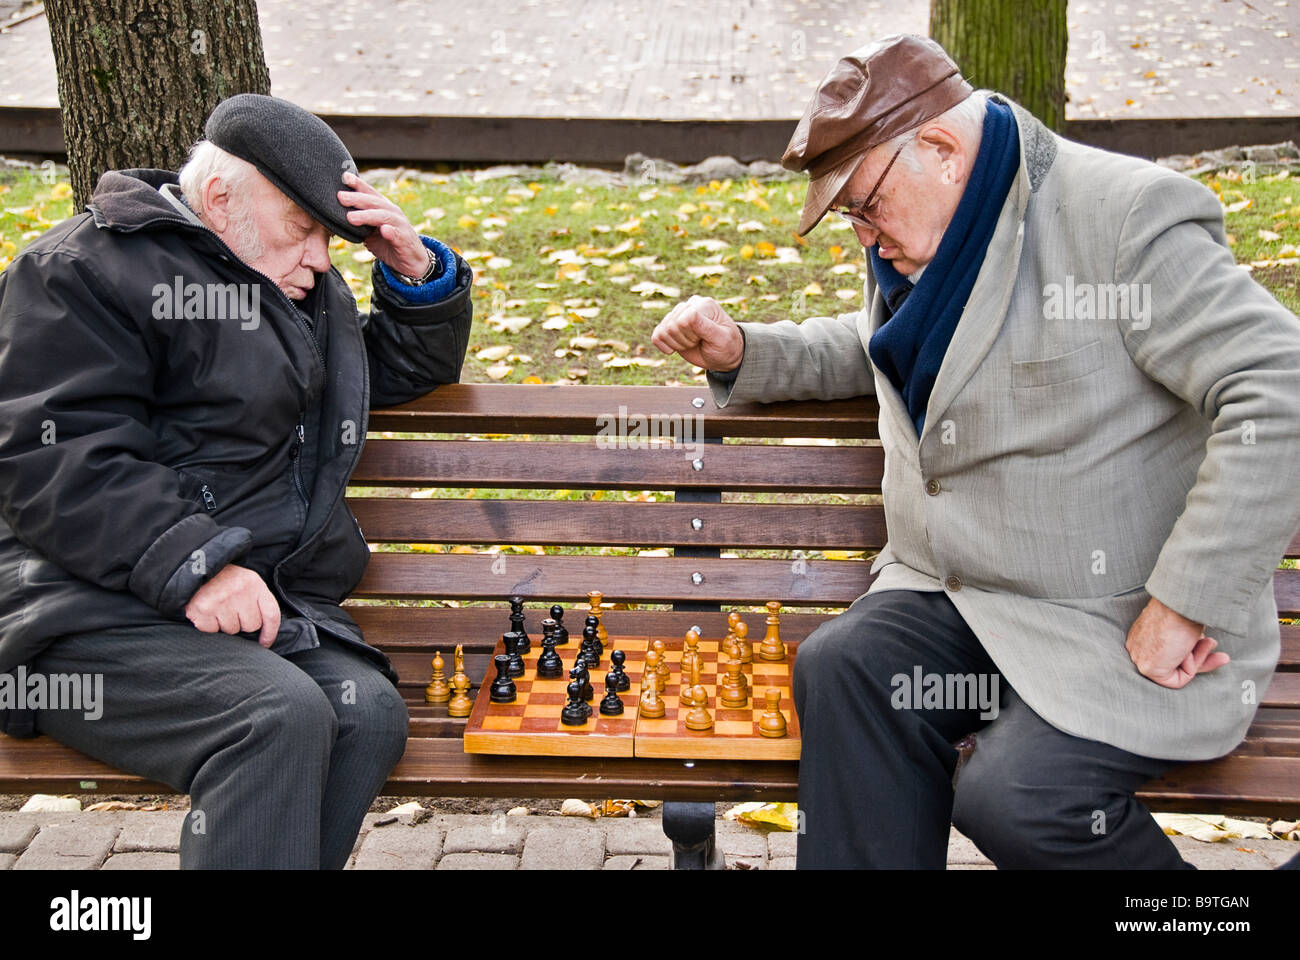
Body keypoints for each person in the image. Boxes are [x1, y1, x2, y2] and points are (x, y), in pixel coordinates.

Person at [652, 34, 1300, 868]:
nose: (861, 234)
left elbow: (1278, 386)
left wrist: (1183, 603)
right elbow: (894, 348)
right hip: (962, 595)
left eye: (864, 204)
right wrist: (747, 351)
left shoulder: (1127, 216)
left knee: (1017, 794)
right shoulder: (925, 230)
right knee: (845, 667)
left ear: (942, 148)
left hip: (1113, 617)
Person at [0, 94, 473, 868]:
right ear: (220, 200)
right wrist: (198, 565)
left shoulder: (286, 289)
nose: (321, 257)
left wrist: (414, 271)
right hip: (80, 612)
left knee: (367, 715)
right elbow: (54, 454)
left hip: (243, 610)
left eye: (329, 235)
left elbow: (379, 373)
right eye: (305, 229)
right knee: (274, 715)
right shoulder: (78, 272)